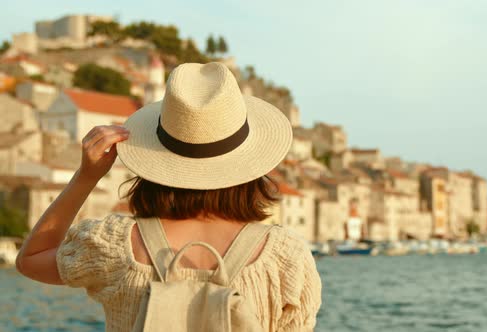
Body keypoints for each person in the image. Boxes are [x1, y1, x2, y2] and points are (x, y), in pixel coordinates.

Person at [16, 62, 322, 331]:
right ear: (251, 166)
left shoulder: (114, 245)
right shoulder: (285, 255)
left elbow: (30, 260)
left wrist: (87, 176)